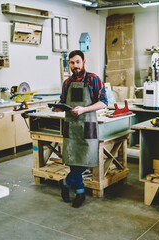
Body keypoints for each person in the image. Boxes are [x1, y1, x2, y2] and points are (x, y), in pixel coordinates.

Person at [53, 50, 108, 208]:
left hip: (87, 125)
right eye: (72, 63)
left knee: (84, 161)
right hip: (71, 126)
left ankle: (65, 182)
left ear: (84, 62)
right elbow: (63, 101)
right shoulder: (67, 82)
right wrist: (57, 108)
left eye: (78, 62)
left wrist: (83, 109)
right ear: (69, 64)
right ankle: (79, 192)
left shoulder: (93, 79)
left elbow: (104, 102)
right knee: (73, 161)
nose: (75, 66)